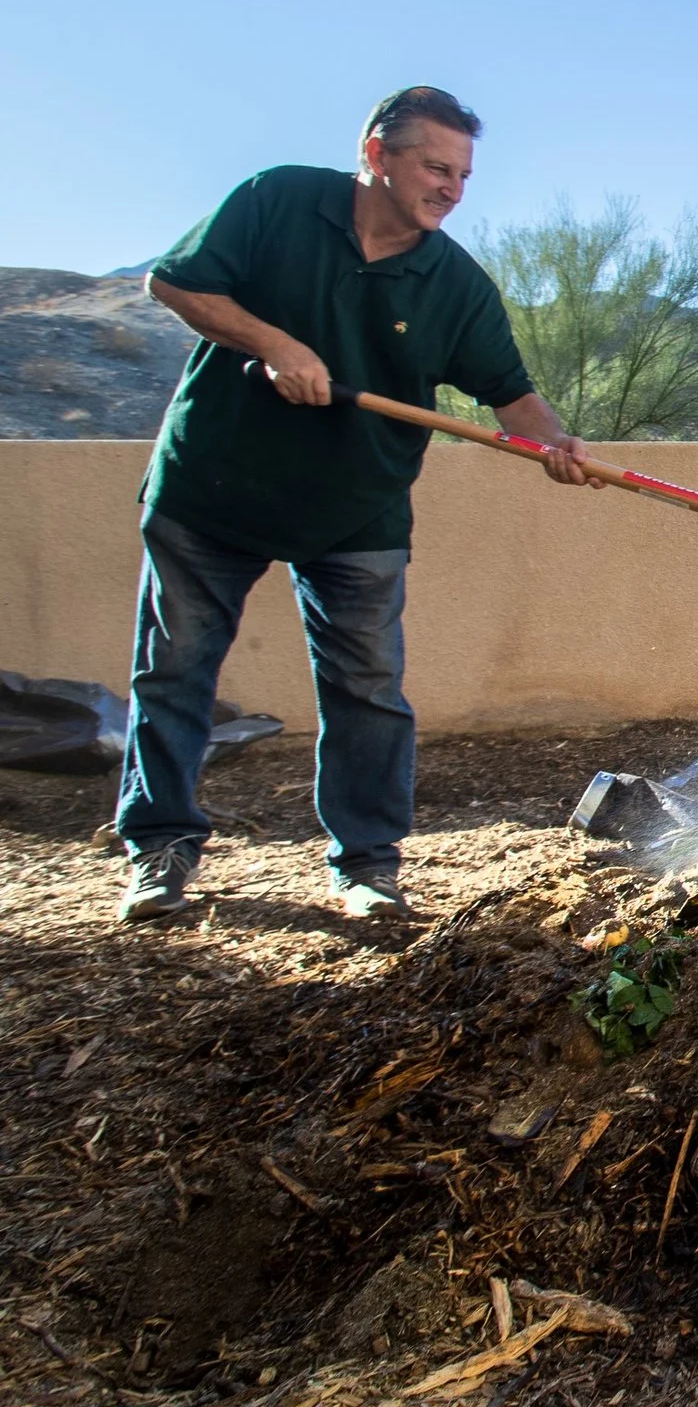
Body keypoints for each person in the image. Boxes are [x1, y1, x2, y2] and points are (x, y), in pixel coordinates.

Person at [117, 87, 601, 925]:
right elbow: (178, 283)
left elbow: (512, 397)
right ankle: (160, 848)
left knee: (367, 688)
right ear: (376, 154)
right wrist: (276, 342)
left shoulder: (454, 284)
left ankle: (368, 866)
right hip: (214, 491)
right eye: (436, 166)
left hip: (357, 509)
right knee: (176, 671)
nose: (453, 188)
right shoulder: (277, 200)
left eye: (464, 174)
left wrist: (554, 445)